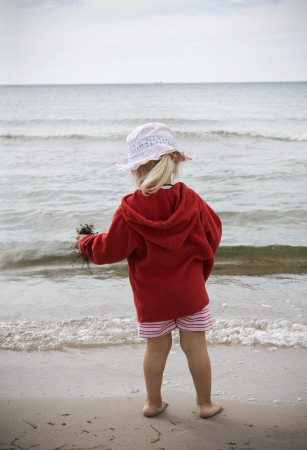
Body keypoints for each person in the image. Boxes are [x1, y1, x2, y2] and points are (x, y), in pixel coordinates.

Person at [76, 122, 222, 418]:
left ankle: (153, 403)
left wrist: (85, 243)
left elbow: (109, 250)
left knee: (156, 350)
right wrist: (199, 263)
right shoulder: (191, 200)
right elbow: (213, 232)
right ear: (174, 163)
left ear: (135, 169)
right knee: (196, 348)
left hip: (152, 298)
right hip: (191, 293)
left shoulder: (130, 209)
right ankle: (205, 404)